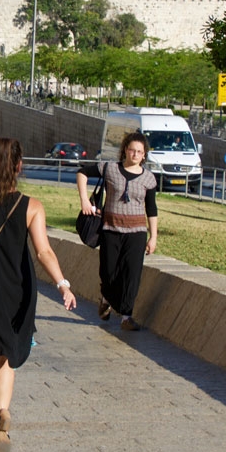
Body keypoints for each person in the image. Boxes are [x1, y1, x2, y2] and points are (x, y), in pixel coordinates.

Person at [0, 137, 77, 452]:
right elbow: (44, 251)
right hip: (18, 296)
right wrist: (62, 284)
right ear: (20, 166)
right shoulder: (31, 206)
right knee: (6, 361)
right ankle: (0, 424)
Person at [76, 131, 158, 332]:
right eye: (132, 150)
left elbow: (152, 209)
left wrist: (153, 236)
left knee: (132, 274)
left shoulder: (149, 179)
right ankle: (106, 297)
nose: (135, 154)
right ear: (125, 151)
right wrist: (85, 200)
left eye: (140, 151)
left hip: (137, 233)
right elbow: (82, 172)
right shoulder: (110, 169)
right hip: (111, 229)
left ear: (144, 155)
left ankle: (126, 317)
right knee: (109, 271)